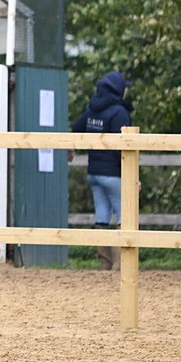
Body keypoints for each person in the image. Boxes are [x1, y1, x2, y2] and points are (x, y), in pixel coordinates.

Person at [71, 70, 134, 270]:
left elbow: (76, 127)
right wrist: (129, 173)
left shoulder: (92, 111)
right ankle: (120, 265)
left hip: (94, 172)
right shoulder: (119, 112)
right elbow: (121, 147)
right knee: (124, 215)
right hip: (113, 174)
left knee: (102, 215)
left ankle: (104, 264)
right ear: (118, 90)